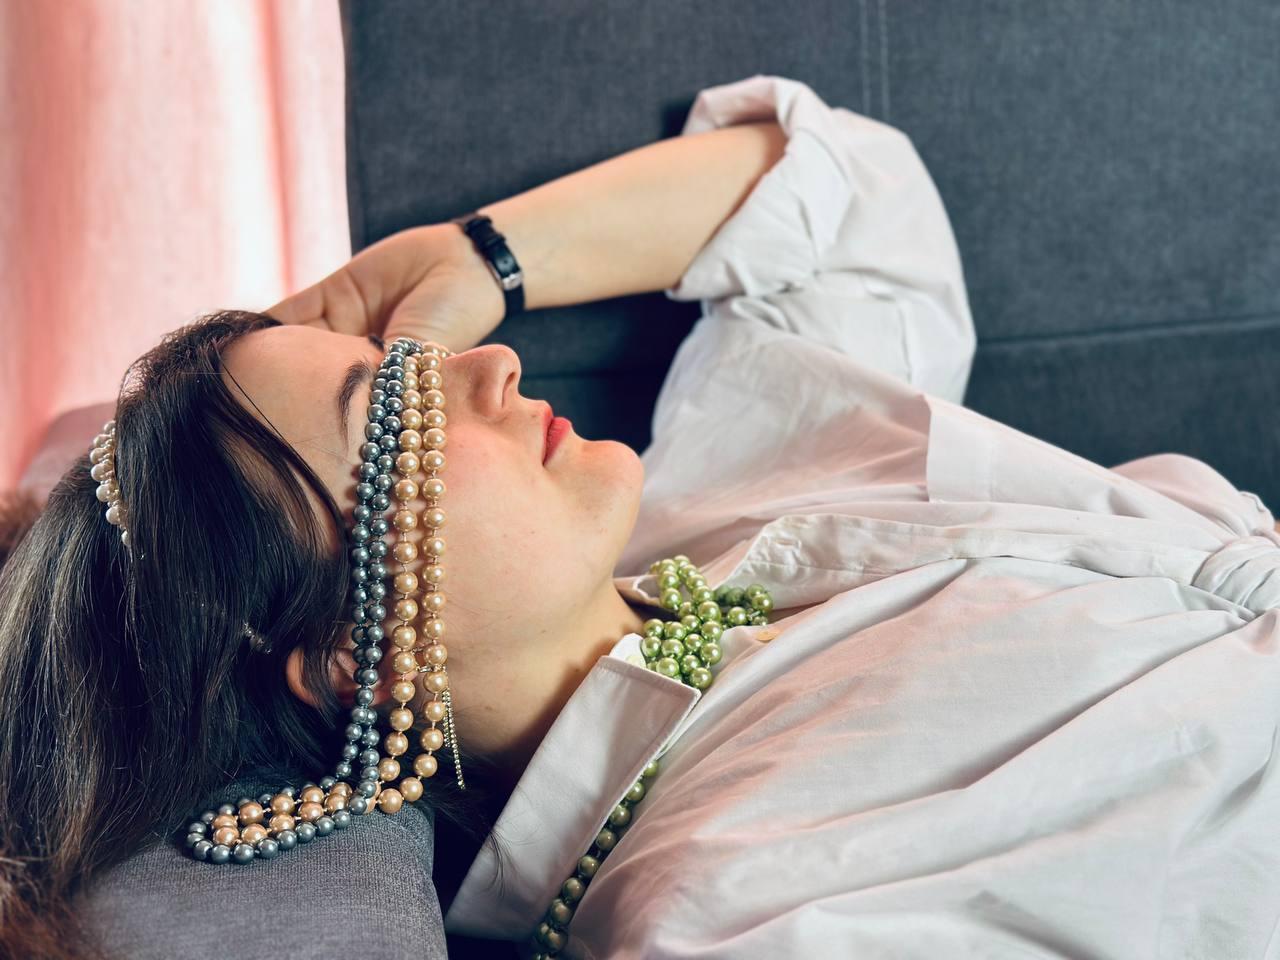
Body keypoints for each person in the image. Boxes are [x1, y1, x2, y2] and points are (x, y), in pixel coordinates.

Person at [2, 73, 1278, 960]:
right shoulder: (735, 904)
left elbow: (847, 199)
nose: (487, 364)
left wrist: (477, 257)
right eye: (393, 411)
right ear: (356, 657)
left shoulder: (717, 501)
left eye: (416, 360)